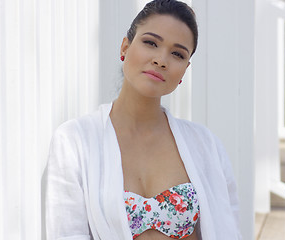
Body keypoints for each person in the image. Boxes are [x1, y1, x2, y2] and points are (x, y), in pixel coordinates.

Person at [44, 0, 241, 239]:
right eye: (151, 42)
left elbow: (227, 228)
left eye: (177, 54)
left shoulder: (206, 146)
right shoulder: (74, 141)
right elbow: (67, 233)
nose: (161, 59)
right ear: (125, 48)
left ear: (184, 71)